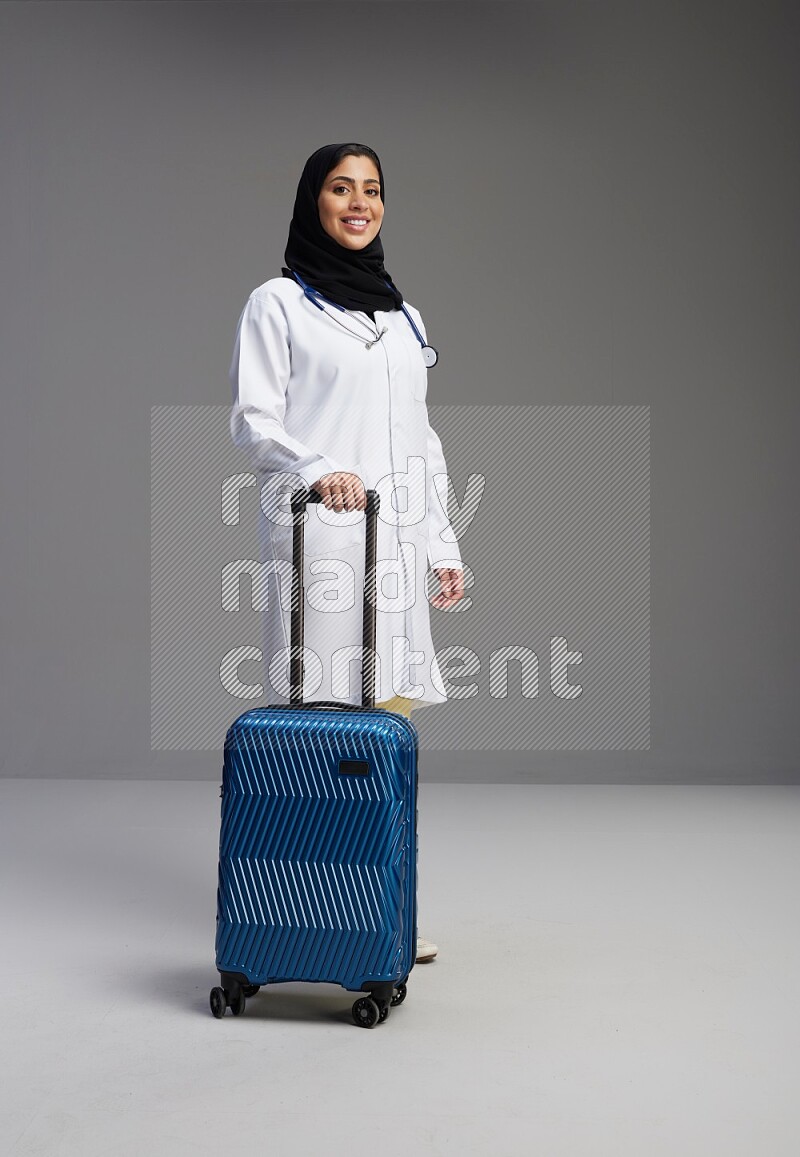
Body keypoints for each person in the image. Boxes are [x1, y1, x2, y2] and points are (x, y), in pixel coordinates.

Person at [228, 143, 464, 963]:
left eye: (371, 190)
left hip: (394, 537)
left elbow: (420, 439)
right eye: (340, 188)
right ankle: (305, 915)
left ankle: (377, 914)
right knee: (323, 726)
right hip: (321, 540)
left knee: (386, 720)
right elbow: (253, 418)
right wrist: (319, 467)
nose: (358, 203)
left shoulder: (403, 315)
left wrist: (442, 539)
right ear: (313, 200)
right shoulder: (278, 304)